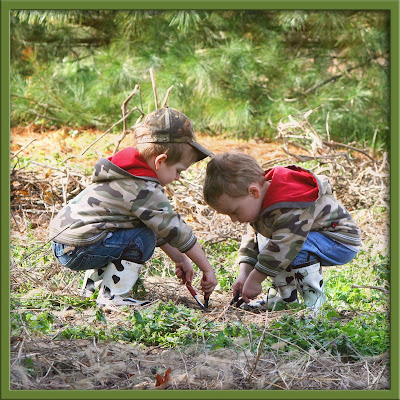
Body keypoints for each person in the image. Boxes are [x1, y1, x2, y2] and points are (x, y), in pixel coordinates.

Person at [49, 107, 218, 307]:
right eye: (178, 170)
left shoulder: (124, 173)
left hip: (64, 244)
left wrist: (180, 259)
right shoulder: (144, 188)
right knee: (144, 236)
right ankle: (113, 297)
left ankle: (92, 289)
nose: (178, 177)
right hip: (82, 246)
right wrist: (207, 269)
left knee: (135, 230)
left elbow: (160, 230)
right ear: (160, 161)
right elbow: (176, 230)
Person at [203, 151, 361, 310]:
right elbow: (253, 239)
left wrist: (255, 279)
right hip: (309, 238)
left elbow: (284, 246)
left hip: (339, 241)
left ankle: (315, 305)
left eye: (234, 212)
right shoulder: (259, 203)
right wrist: (244, 274)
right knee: (270, 242)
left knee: (285, 247)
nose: (233, 219)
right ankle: (283, 301)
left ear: (253, 192)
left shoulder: (289, 202)